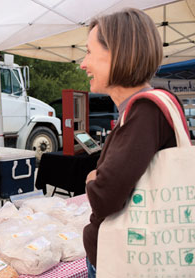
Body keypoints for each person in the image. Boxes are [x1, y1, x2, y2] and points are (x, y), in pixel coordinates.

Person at [79, 8, 187, 277]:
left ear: (118, 52)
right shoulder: (145, 109)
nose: (83, 63)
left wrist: (92, 179)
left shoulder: (145, 112)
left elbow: (104, 198)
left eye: (90, 52)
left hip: (128, 262)